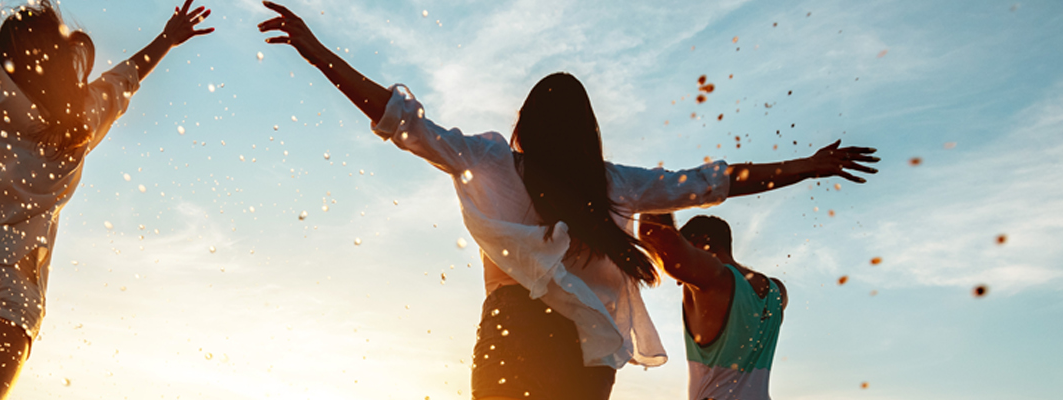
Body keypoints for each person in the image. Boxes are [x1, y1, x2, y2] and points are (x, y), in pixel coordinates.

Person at [256, 2, 877, 400]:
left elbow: (400, 119)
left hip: (512, 336)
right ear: (588, 130)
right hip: (588, 355)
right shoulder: (614, 183)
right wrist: (805, 167)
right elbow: (713, 180)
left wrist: (317, 53)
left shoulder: (492, 159)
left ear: (525, 121)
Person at [0, 1, 213, 399]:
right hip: (12, 279)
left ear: (5, 48)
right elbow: (125, 79)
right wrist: (168, 38)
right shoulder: (79, 121)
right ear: (63, 55)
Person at [638, 214, 786, 400]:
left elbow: (654, 234)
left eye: (688, 249)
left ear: (701, 243)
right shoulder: (777, 292)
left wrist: (655, 187)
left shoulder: (715, 279)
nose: (679, 279)